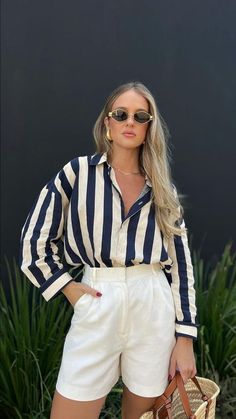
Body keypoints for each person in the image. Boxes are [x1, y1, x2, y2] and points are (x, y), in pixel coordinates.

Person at [19, 81, 198, 419]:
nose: (130, 121)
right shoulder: (77, 174)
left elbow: (181, 266)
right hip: (97, 299)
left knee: (143, 416)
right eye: (121, 114)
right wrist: (70, 290)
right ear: (108, 124)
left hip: (152, 306)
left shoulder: (162, 189)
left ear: (149, 127)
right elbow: (34, 242)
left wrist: (185, 339)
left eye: (140, 116)